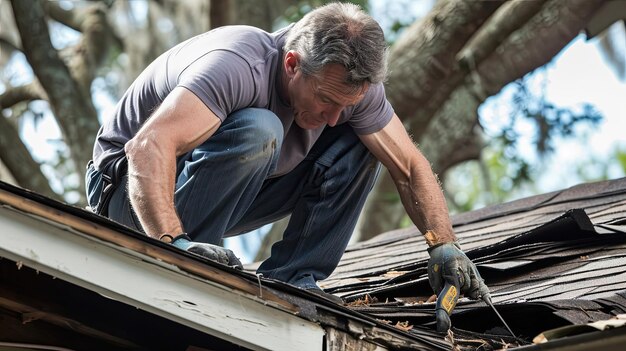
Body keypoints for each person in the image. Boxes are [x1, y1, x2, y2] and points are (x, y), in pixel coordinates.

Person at [86, 2, 488, 327]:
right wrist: (173, 242)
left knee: (365, 145)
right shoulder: (236, 64)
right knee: (260, 128)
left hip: (225, 194)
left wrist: (444, 243)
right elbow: (147, 147)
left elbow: (411, 166)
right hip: (130, 199)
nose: (333, 117)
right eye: (326, 100)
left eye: (344, 105)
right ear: (293, 63)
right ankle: (187, 256)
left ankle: (293, 280)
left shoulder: (352, 93)